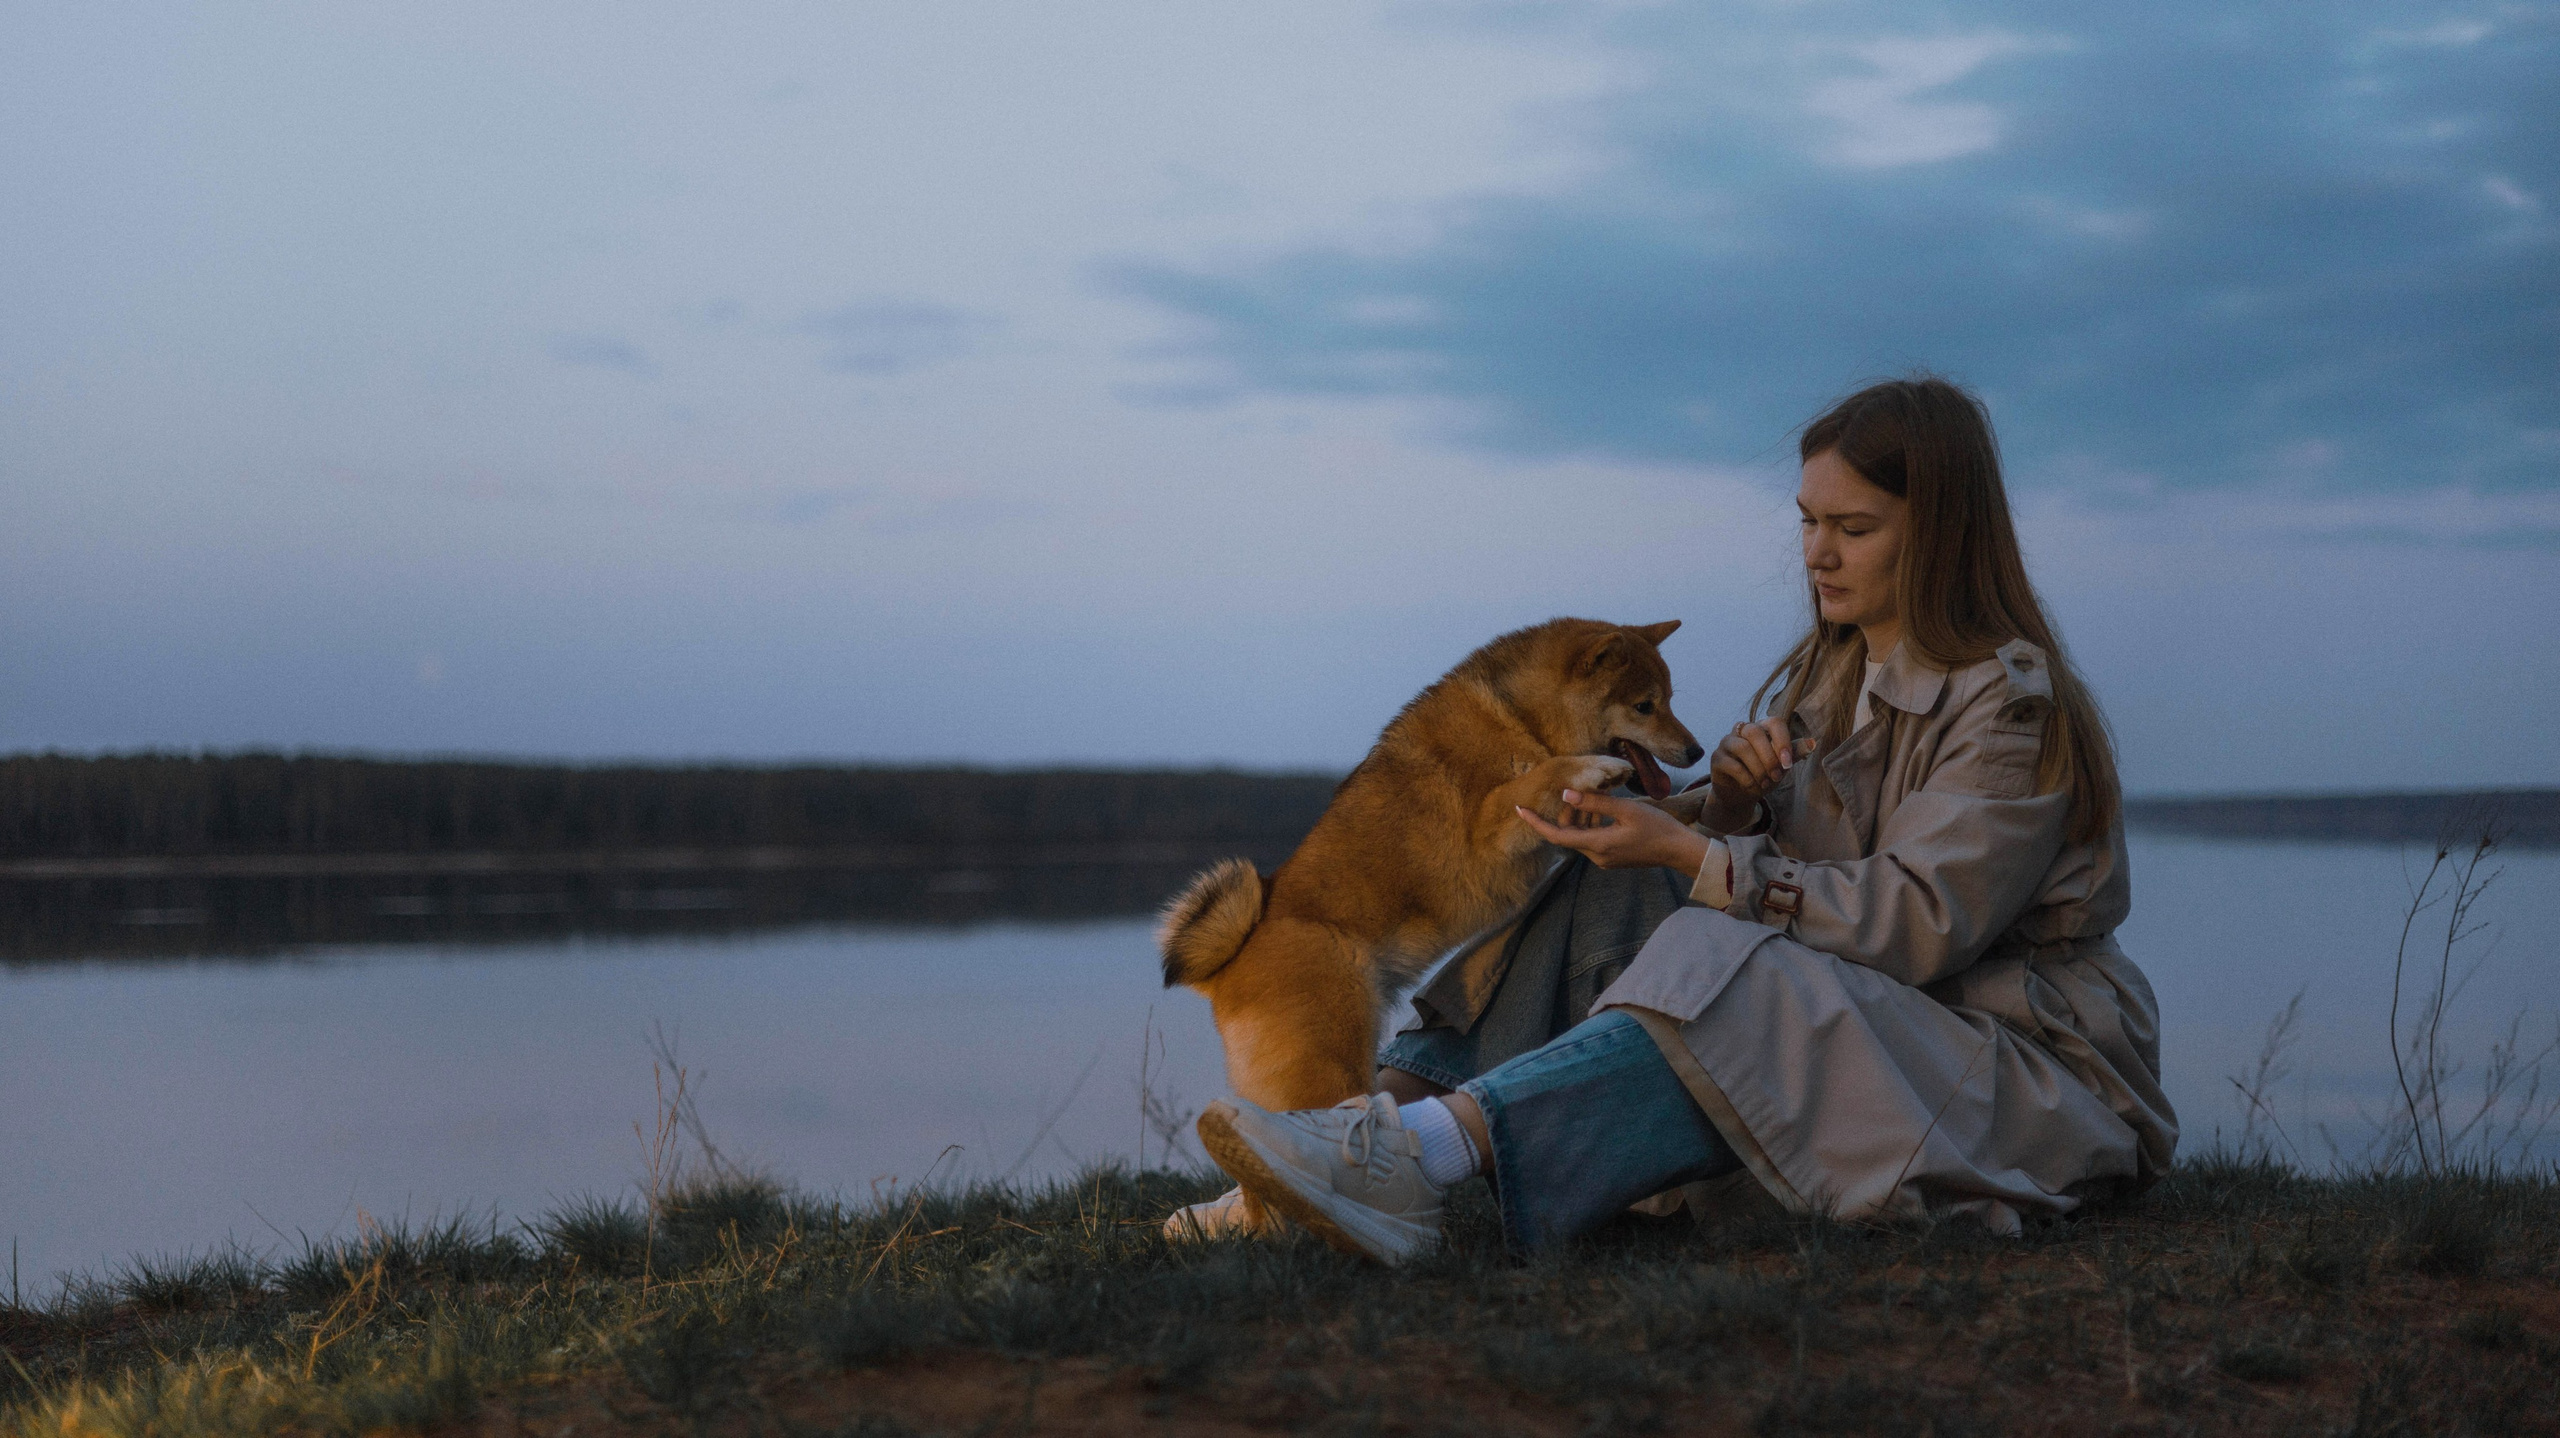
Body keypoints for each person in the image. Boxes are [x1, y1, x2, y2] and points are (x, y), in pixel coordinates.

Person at [1176, 376, 2178, 1262]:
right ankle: (1337, 1147)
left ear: (1941, 533)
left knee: (1731, 961)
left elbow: (1914, 924)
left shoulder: (2009, 704)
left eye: (1854, 528)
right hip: (1873, 1027)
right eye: (1807, 521)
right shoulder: (1833, 677)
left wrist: (1700, 851)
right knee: (1593, 864)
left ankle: (1406, 1158)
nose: (1817, 555)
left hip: (2017, 1070)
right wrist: (1729, 809)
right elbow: (1785, 876)